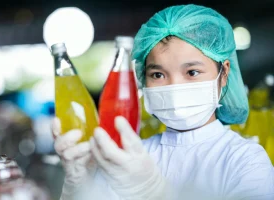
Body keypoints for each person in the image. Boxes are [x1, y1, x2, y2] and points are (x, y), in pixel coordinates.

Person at [52, 4, 274, 200]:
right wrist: (78, 186)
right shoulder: (129, 158)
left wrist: (156, 193)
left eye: (192, 72)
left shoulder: (245, 160)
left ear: (223, 74)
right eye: (158, 75)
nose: (174, 87)